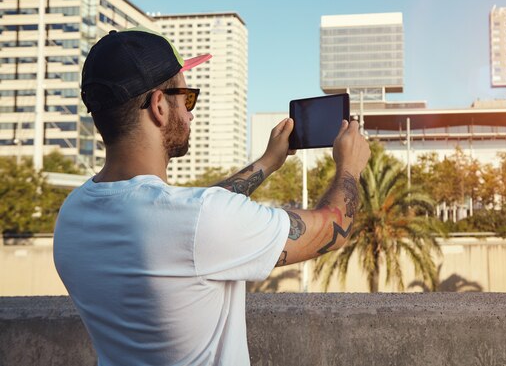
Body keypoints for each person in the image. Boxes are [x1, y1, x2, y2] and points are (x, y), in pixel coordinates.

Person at [53, 26, 370, 366]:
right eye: (186, 97)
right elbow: (330, 229)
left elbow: (187, 219)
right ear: (159, 106)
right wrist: (349, 167)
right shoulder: (200, 221)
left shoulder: (71, 216)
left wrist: (266, 163)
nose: (190, 113)